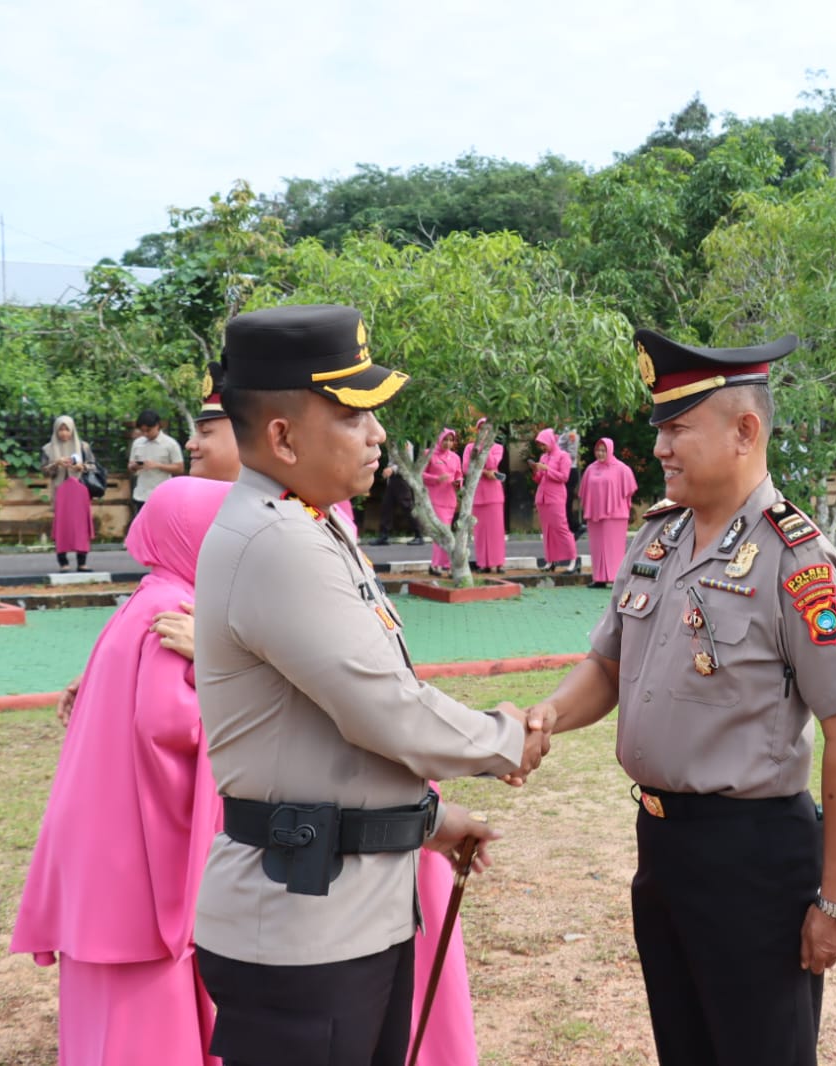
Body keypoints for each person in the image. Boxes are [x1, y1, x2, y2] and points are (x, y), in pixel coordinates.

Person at [192, 304, 548, 1066]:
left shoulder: (302, 522)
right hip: (302, 930)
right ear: (283, 437)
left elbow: (324, 745)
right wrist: (506, 739)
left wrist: (428, 821)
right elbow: (381, 710)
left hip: (341, 910)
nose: (378, 434)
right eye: (354, 414)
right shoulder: (277, 539)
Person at [528, 329, 836, 1066]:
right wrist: (549, 716)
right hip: (661, 844)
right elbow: (608, 665)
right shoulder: (658, 538)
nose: (659, 447)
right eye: (660, 429)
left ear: (744, 431)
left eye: (678, 428)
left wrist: (835, 901)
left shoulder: (796, 559)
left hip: (753, 857)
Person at [11, 476, 234, 1066]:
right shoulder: (180, 612)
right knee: (148, 1032)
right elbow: (176, 731)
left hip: (100, 863)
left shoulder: (149, 596)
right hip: (140, 866)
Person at [41, 416, 96, 573]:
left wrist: (81, 467)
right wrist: (56, 463)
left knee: (81, 526)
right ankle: (63, 562)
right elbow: (44, 470)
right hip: (60, 492)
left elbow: (93, 466)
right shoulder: (48, 448)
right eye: (61, 429)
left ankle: (82, 562)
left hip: (79, 492)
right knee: (61, 526)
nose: (64, 433)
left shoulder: (83, 447)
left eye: (67, 429)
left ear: (72, 430)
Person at [579, 438, 637, 589]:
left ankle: (616, 578)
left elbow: (629, 490)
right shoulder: (591, 469)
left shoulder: (621, 469)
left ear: (610, 450)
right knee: (597, 546)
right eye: (598, 450)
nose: (600, 453)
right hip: (595, 515)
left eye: (603, 450)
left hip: (615, 515)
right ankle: (599, 578)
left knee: (613, 547)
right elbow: (583, 492)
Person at [462, 421, 507, 575]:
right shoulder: (470, 447)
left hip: (494, 494)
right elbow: (466, 468)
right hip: (477, 493)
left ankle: (497, 563)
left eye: (487, 430)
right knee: (480, 531)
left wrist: (484, 449)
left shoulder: (497, 448)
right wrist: (483, 472)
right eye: (481, 429)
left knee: (496, 531)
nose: (484, 432)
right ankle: (482, 563)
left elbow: (493, 463)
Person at [530, 428, 577, 573]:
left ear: (551, 441)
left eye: (544, 444)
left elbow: (564, 477)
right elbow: (539, 479)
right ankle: (551, 561)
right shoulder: (543, 457)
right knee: (547, 530)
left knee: (561, 527)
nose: (543, 447)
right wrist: (535, 470)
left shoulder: (564, 456)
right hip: (542, 498)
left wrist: (547, 469)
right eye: (540, 445)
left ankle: (573, 560)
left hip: (555, 497)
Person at [127, 409, 185, 528]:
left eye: (148, 430)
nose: (146, 434)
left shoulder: (170, 444)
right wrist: (134, 466)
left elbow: (180, 468)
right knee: (143, 526)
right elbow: (130, 465)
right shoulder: (138, 443)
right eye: (142, 431)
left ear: (157, 426)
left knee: (161, 526)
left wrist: (158, 465)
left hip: (162, 494)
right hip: (141, 493)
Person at [422, 429, 463, 577]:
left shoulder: (455, 458)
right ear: (440, 439)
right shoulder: (429, 453)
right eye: (445, 440)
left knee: (446, 532)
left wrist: (459, 483)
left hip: (450, 499)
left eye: (451, 440)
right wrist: (435, 479)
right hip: (435, 498)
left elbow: (459, 474)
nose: (448, 443)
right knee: (441, 532)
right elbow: (420, 473)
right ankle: (437, 565)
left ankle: (444, 564)